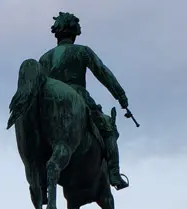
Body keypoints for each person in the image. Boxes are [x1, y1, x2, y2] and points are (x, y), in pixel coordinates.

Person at [38, 12, 130, 191]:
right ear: (74, 31)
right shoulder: (82, 51)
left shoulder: (44, 58)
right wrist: (121, 96)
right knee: (108, 129)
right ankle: (114, 173)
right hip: (78, 96)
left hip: (49, 103)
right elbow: (103, 73)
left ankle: (42, 182)